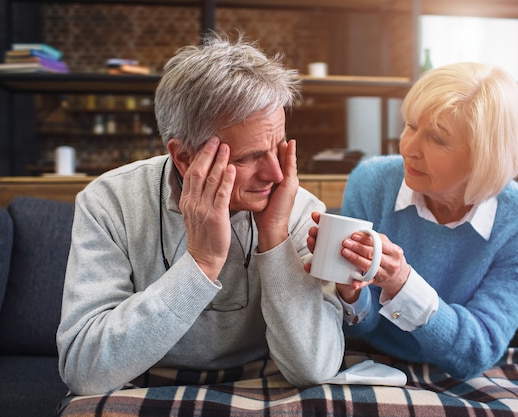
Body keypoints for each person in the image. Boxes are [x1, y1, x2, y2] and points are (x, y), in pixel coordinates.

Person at [56, 32, 345, 396]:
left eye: (278, 147)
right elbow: (85, 370)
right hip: (144, 385)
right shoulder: (109, 202)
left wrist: (275, 238)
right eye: (248, 157)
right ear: (184, 157)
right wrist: (202, 262)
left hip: (259, 385)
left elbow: (313, 367)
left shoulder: (297, 207)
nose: (275, 174)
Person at [308, 62, 518, 380]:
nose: (408, 149)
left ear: (485, 156)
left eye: (438, 139)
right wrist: (349, 290)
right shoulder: (371, 181)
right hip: (370, 361)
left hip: (454, 373)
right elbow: (365, 327)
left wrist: (402, 282)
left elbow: (475, 354)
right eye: (411, 126)